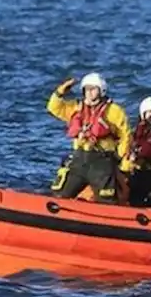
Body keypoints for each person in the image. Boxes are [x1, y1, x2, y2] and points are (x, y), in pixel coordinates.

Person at [46, 72, 131, 203]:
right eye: (86, 89)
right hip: (79, 160)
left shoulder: (114, 111)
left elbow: (126, 136)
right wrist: (60, 92)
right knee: (60, 194)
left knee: (106, 200)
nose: (89, 93)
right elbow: (54, 108)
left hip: (102, 162)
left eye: (93, 89)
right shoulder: (76, 107)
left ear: (101, 90)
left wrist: (120, 158)